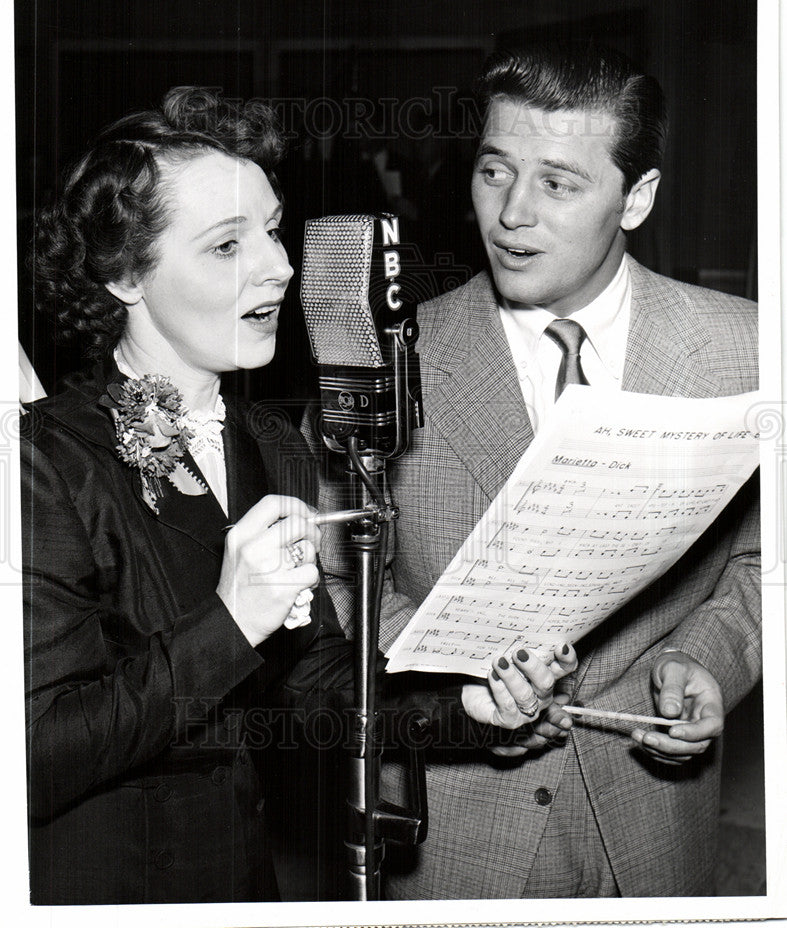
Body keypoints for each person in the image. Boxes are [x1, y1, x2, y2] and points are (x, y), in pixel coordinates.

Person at [21, 85, 561, 905]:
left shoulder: (272, 444)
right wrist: (230, 622)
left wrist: (465, 708)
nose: (278, 266)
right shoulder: (44, 462)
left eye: (272, 231)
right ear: (126, 274)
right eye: (226, 246)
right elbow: (34, 758)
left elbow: (310, 686)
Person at [313, 45, 760, 898]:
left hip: (658, 830)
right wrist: (454, 684)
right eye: (493, 170)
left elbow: (761, 560)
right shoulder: (378, 361)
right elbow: (338, 581)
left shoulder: (745, 349)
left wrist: (711, 660)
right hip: (457, 836)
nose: (511, 213)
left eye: (557, 182)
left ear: (637, 199)